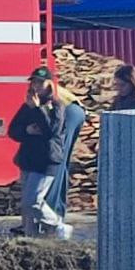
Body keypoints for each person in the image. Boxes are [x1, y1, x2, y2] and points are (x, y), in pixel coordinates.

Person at [7, 67, 72, 240]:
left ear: (49, 84)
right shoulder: (27, 106)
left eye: (40, 82)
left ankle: (57, 224)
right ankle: (32, 241)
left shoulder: (57, 106)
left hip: (47, 161)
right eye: (34, 82)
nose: (36, 86)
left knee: (32, 201)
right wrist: (27, 130)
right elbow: (12, 130)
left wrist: (37, 110)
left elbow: (51, 130)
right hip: (29, 159)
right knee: (27, 211)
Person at [47, 90, 86, 222]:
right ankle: (57, 214)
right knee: (61, 164)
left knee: (55, 161)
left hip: (68, 111)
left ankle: (48, 217)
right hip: (73, 109)